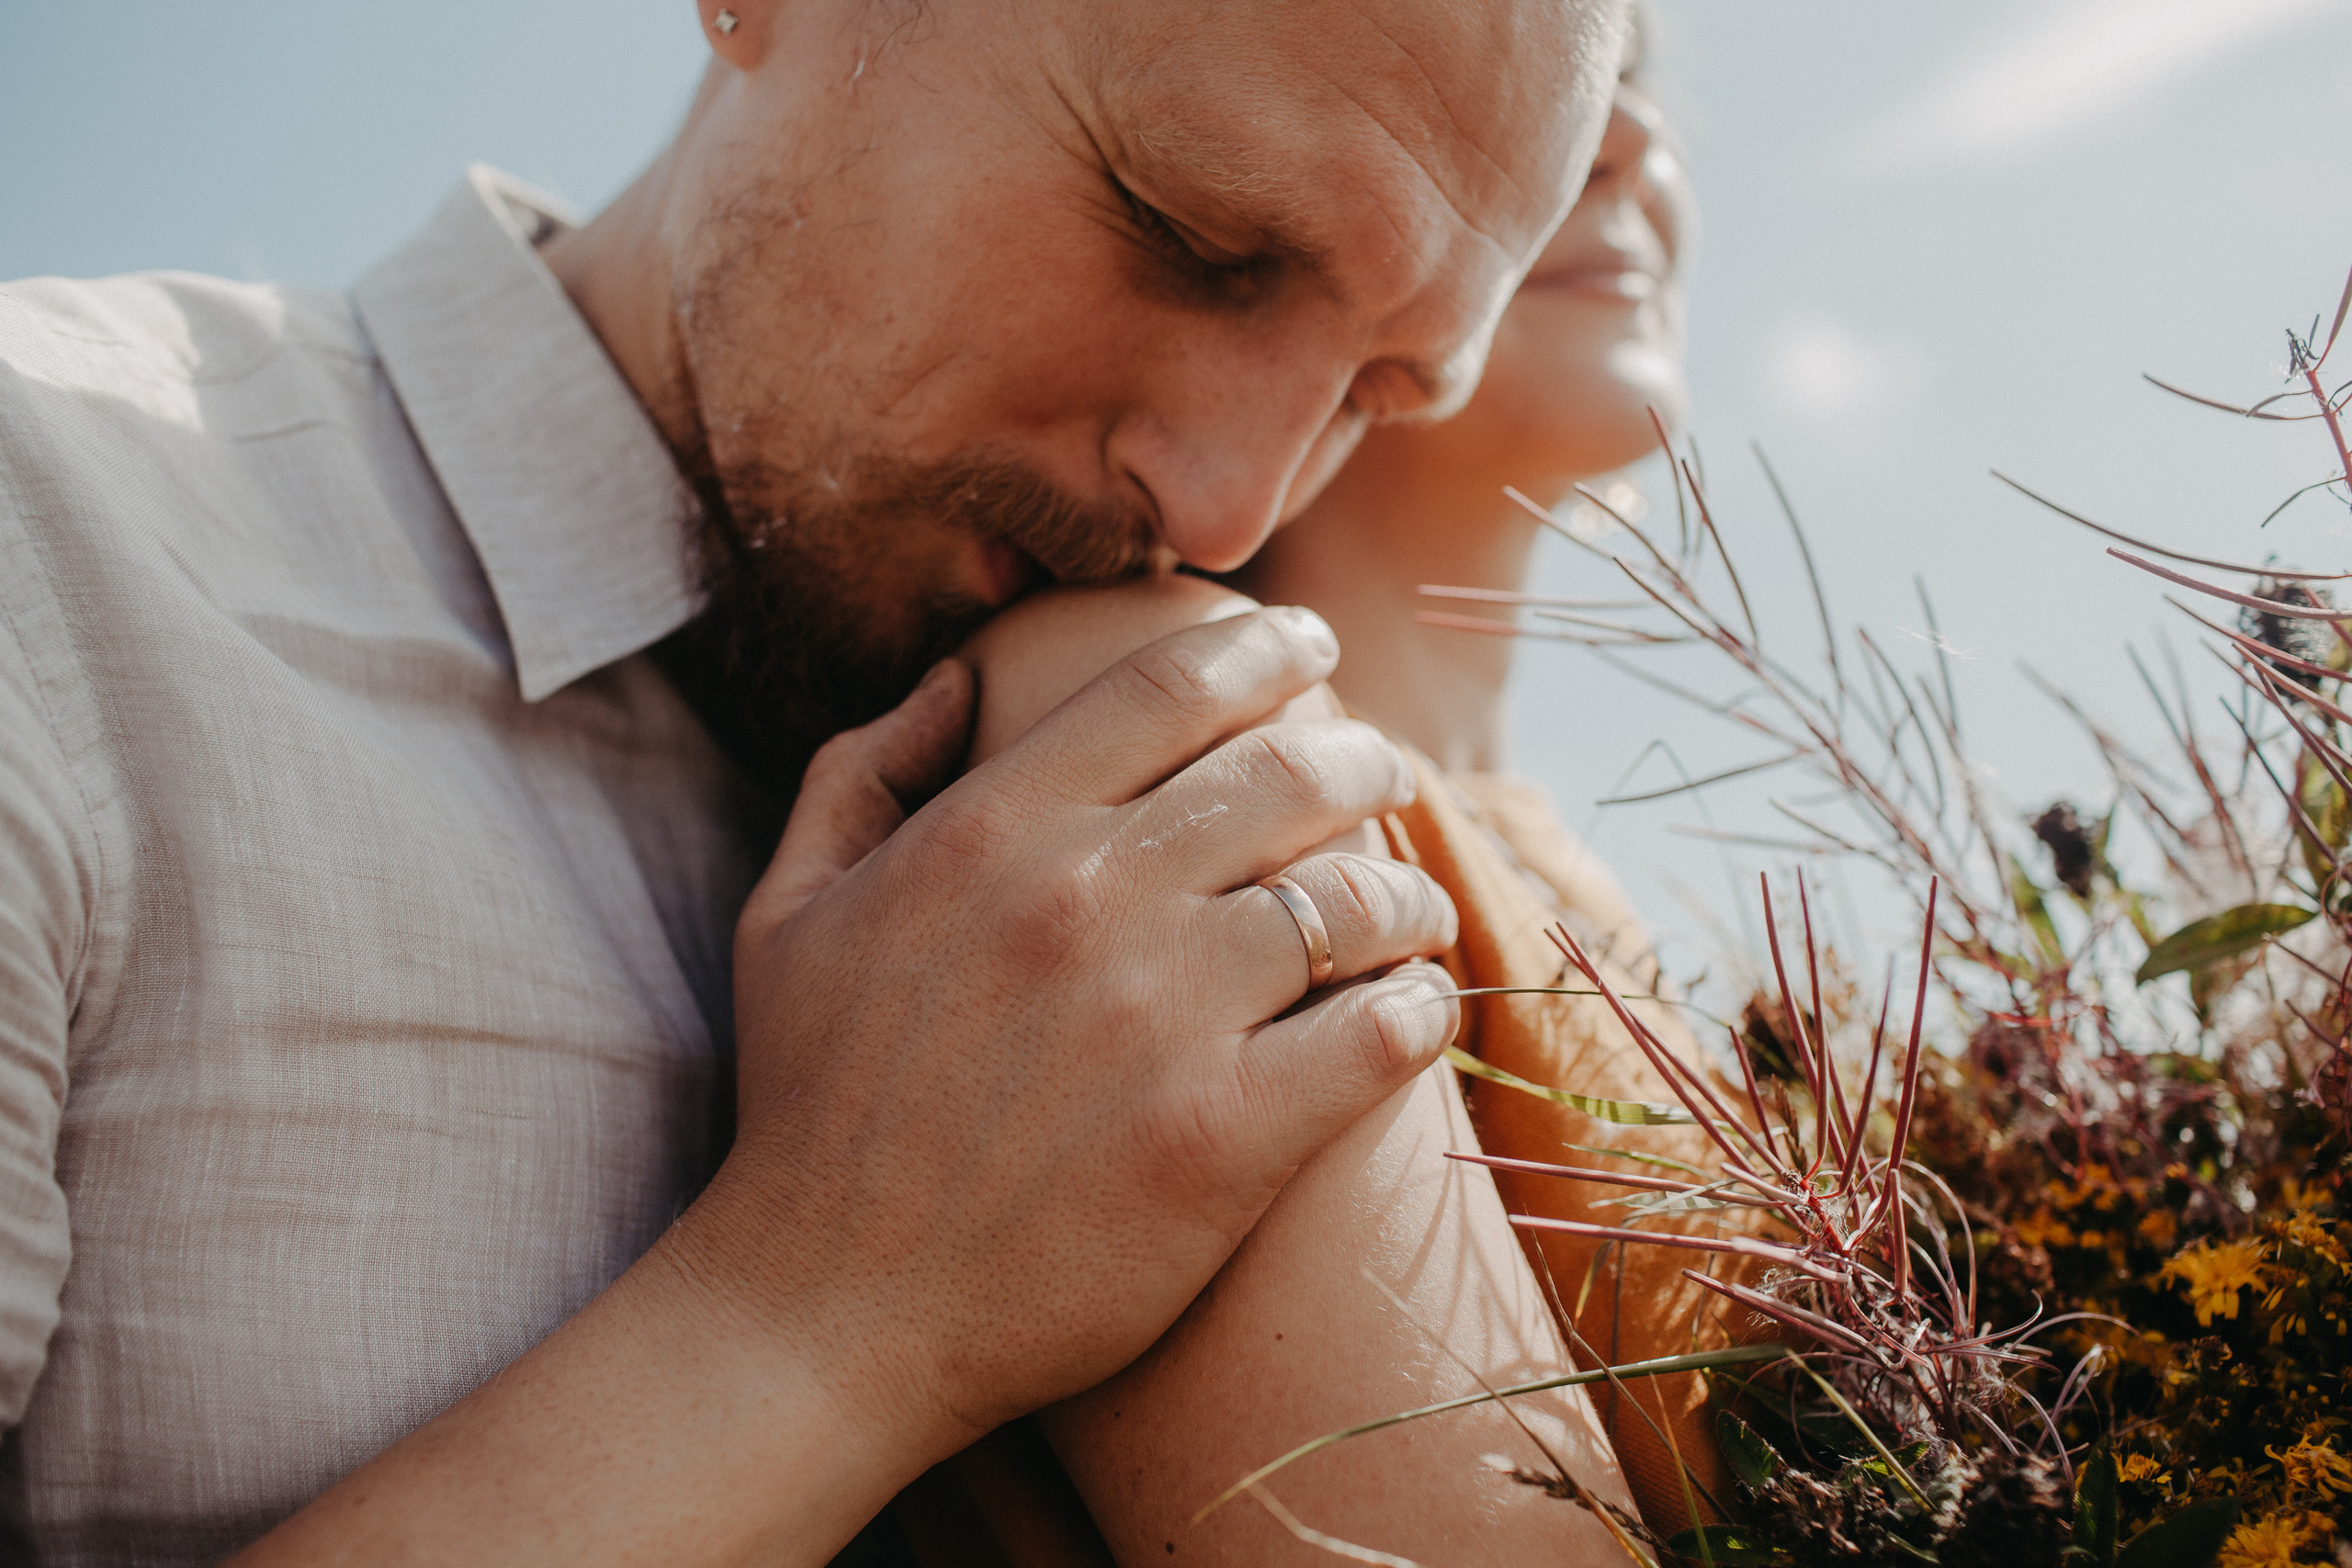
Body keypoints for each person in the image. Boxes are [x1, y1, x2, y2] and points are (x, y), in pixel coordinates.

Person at [0, 0, 1637, 1562]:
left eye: (1375, 393)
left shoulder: (1162, 759)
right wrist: (835, 1316)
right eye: (1193, 240)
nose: (1224, 508)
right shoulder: (51, 565)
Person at [915, 60, 1720, 1559]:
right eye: (1555, 86)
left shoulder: (1591, 891)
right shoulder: (1170, 747)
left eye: (1644, 73)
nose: (1625, 140)